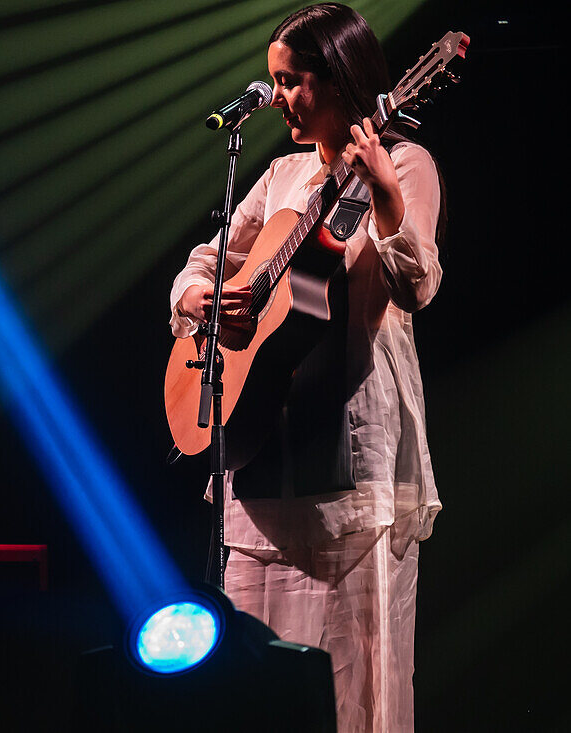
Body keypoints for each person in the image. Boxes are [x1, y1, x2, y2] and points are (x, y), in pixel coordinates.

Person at [169, 4, 443, 731]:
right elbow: (204, 262)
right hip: (263, 469)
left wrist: (383, 192)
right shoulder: (281, 177)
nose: (279, 97)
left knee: (354, 696)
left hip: (349, 474)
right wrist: (206, 301)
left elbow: (417, 285)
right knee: (257, 694)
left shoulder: (408, 163)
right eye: (273, 82)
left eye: (292, 81)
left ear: (340, 75)